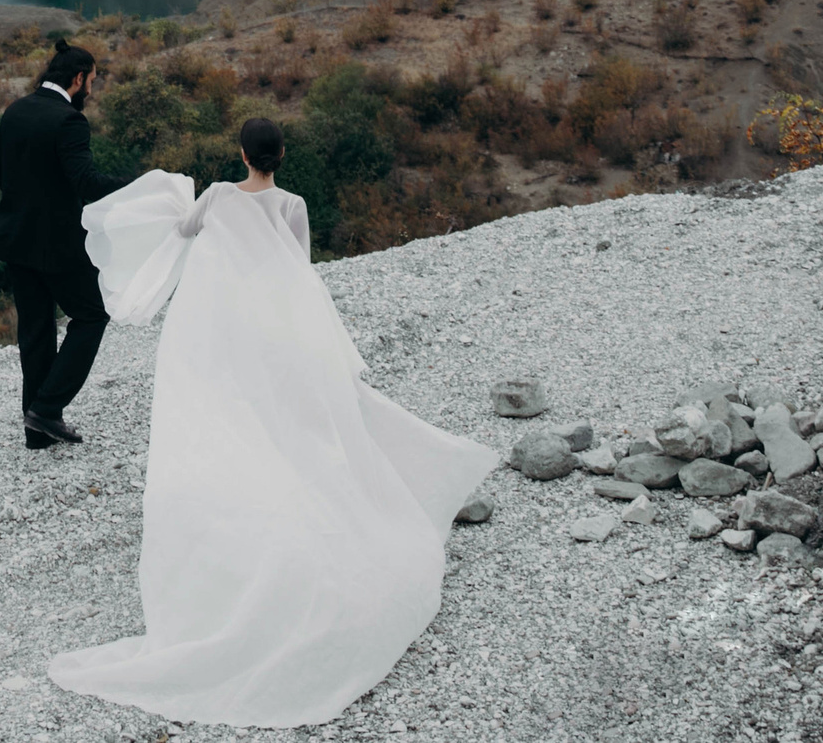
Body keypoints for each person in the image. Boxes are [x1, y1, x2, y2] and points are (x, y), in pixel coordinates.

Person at [46, 117, 496, 729]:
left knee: (232, 417)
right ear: (280, 156)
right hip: (273, 329)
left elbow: (182, 230)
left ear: (241, 154)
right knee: (288, 418)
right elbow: (298, 272)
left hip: (225, 331)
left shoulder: (218, 196)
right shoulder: (294, 205)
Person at [0, 38, 124, 450]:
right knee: (91, 316)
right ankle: (48, 408)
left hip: (17, 239)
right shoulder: (69, 121)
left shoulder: (16, 110)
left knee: (35, 331)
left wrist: (27, 204)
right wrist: (138, 188)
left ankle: (36, 432)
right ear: (77, 79)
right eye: (92, 82)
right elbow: (87, 184)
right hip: (59, 246)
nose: (92, 90)